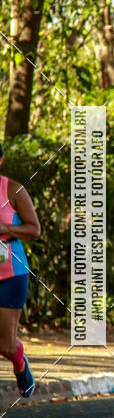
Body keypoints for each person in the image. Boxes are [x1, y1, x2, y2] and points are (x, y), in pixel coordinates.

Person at [0, 144, 40, 398]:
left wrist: (5, 227)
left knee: (5, 343)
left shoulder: (13, 189)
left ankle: (19, 362)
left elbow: (34, 230)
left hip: (10, 274)